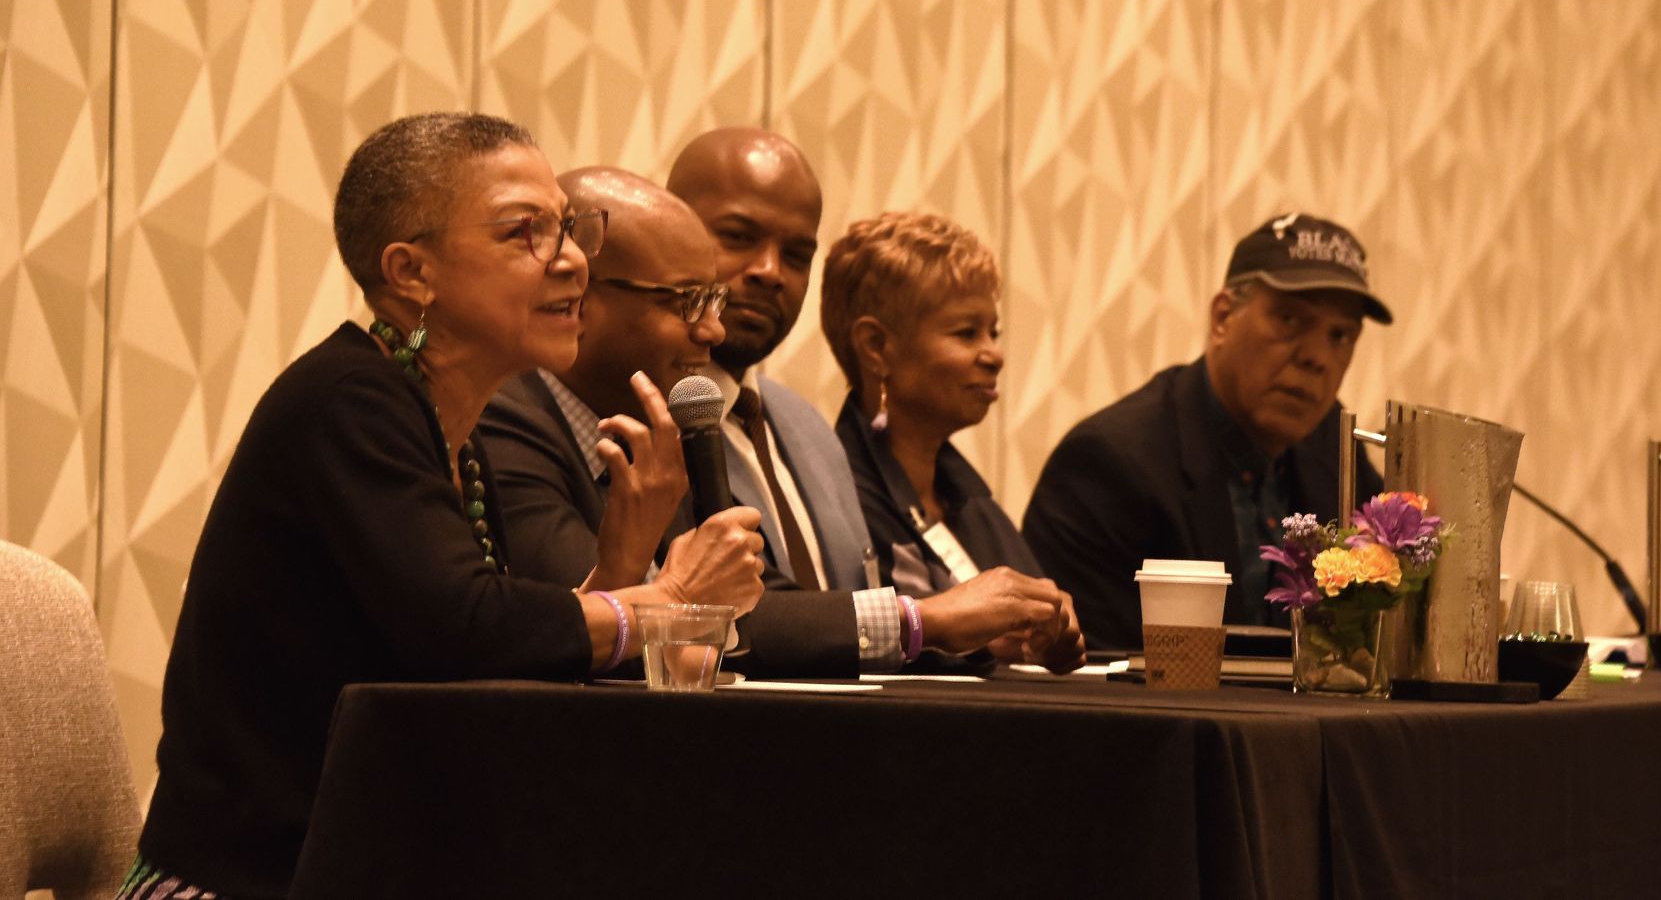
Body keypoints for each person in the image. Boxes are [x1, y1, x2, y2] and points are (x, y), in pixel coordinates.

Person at [120, 114, 764, 900]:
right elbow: (468, 627)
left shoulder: (447, 428)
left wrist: (622, 566)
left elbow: (488, 662)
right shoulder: (345, 404)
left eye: (568, 229)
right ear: (411, 273)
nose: (570, 264)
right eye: (525, 233)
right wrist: (662, 603)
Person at [663, 130, 1081, 671]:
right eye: (740, 237)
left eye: (796, 254)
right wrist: (931, 620)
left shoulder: (804, 428)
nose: (770, 271)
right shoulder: (647, 415)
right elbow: (735, 618)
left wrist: (988, 635)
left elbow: (855, 623)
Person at [1022, 212, 1391, 651]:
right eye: (1290, 320)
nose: (1317, 356)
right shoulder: (1110, 464)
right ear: (1222, 319)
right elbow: (1094, 678)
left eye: (1341, 335)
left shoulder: (1334, 450)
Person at [821, 211, 1084, 672]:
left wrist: (1049, 635)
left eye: (993, 332)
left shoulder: (971, 500)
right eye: (966, 333)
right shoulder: (833, 499)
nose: (995, 354)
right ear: (877, 347)